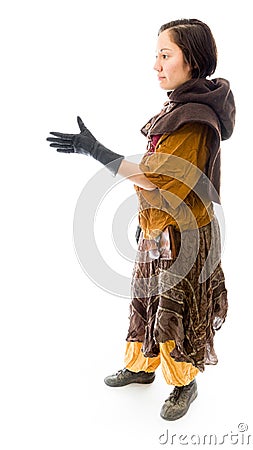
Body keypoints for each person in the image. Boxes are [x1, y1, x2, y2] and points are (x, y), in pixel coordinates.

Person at [47, 18, 235, 421]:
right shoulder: (177, 107)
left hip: (184, 236)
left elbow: (159, 178)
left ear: (193, 61)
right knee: (145, 298)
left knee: (174, 307)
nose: (157, 65)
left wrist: (96, 151)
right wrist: (145, 217)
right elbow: (158, 184)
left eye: (166, 55)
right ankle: (141, 366)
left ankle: (184, 381)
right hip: (159, 227)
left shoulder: (195, 118)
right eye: (156, 55)